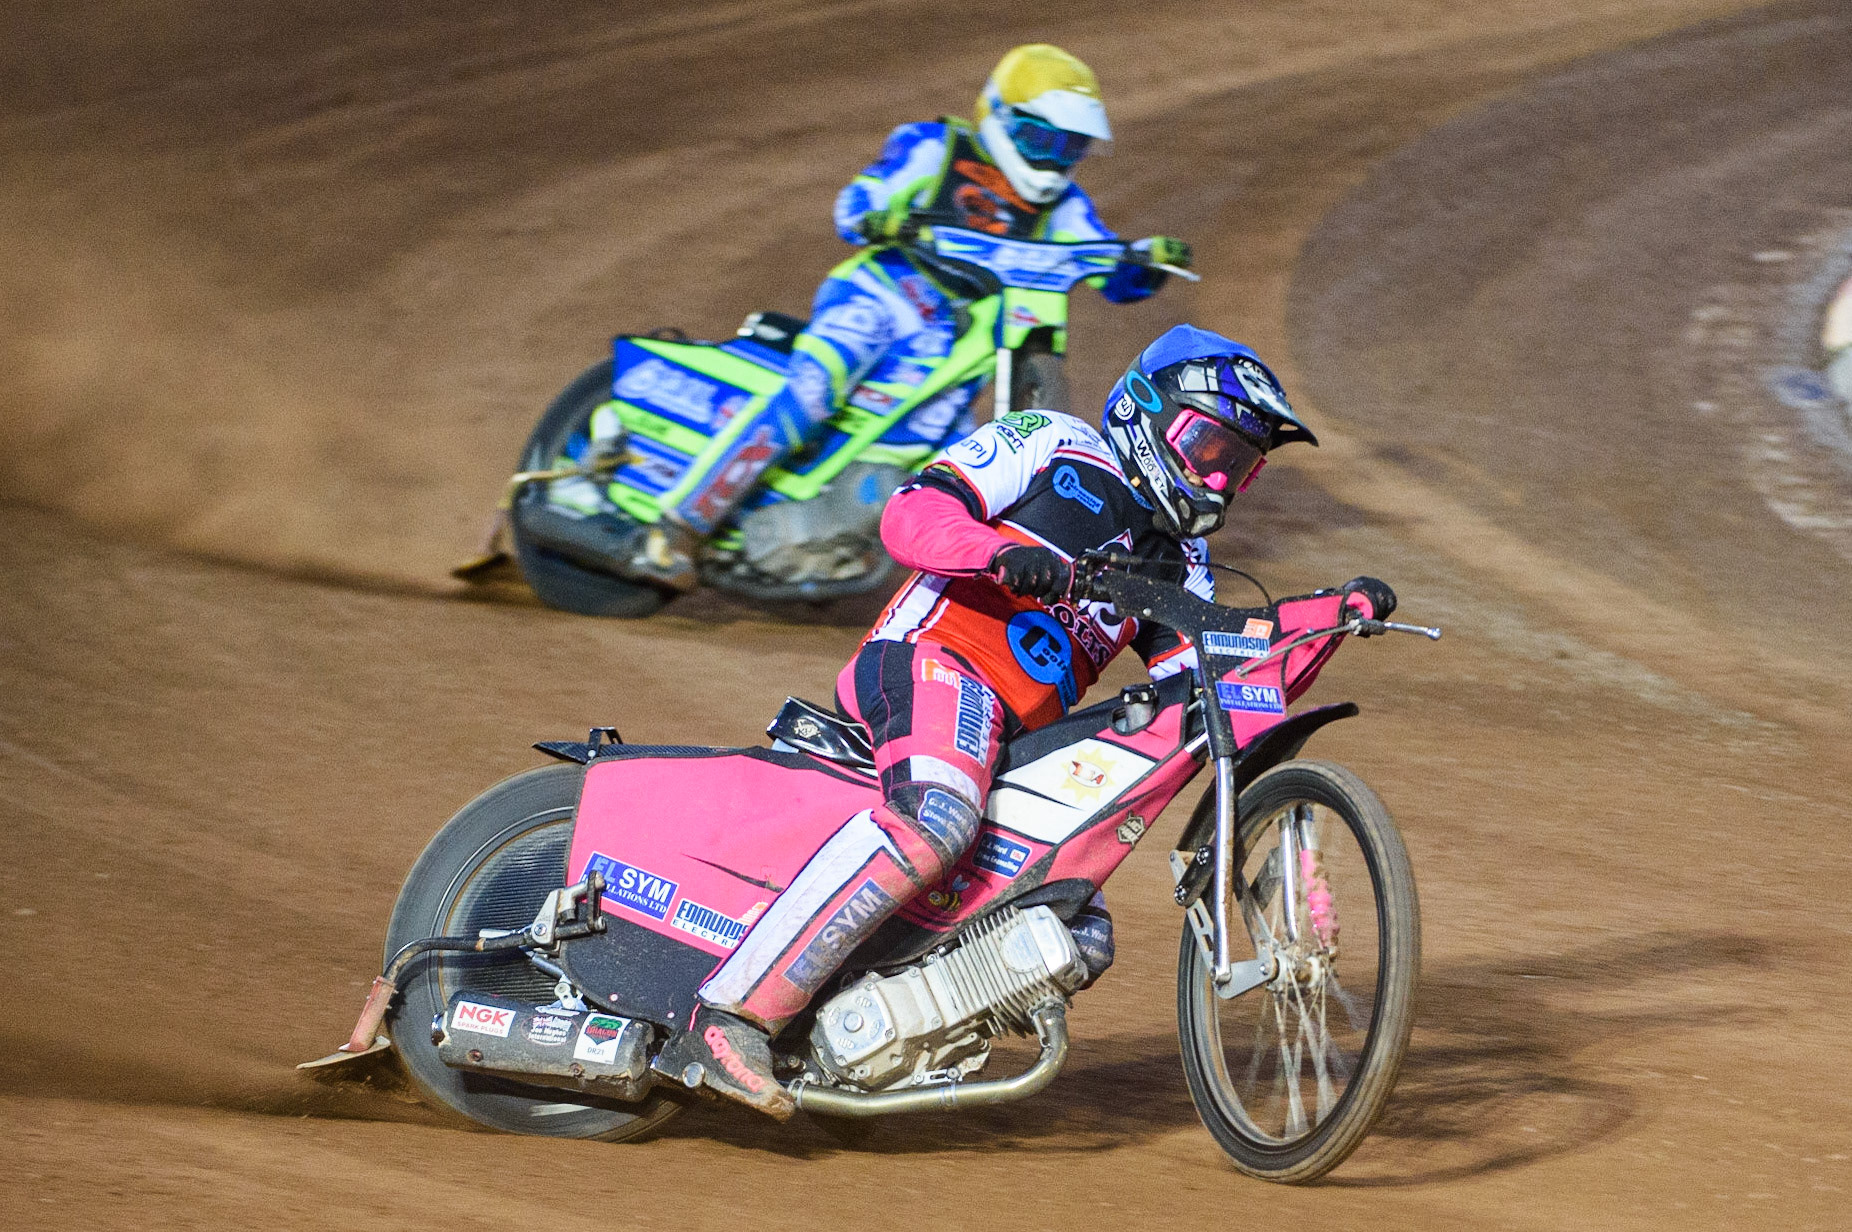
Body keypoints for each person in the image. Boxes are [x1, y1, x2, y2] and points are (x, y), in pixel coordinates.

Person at [654, 324, 1320, 1117]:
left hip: (1012, 733)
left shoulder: (1185, 567)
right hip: (931, 660)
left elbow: (1209, 694)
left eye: (1236, 467)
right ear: (1148, 406)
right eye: (1208, 448)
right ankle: (725, 1018)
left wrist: (1323, 626)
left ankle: (863, 1037)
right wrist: (993, 554)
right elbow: (910, 514)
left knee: (1075, 919)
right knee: (938, 815)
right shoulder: (1055, 442)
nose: (1216, 480)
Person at [617, 43, 1194, 589]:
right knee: (814, 392)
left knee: (941, 459)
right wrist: (884, 218)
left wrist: (1146, 263)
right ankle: (676, 529)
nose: (1052, 157)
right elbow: (856, 203)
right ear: (999, 115)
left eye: (1069, 145)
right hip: (881, 300)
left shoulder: (1065, 208)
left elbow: (1107, 270)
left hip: (955, 342)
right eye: (1038, 137)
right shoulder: (936, 148)